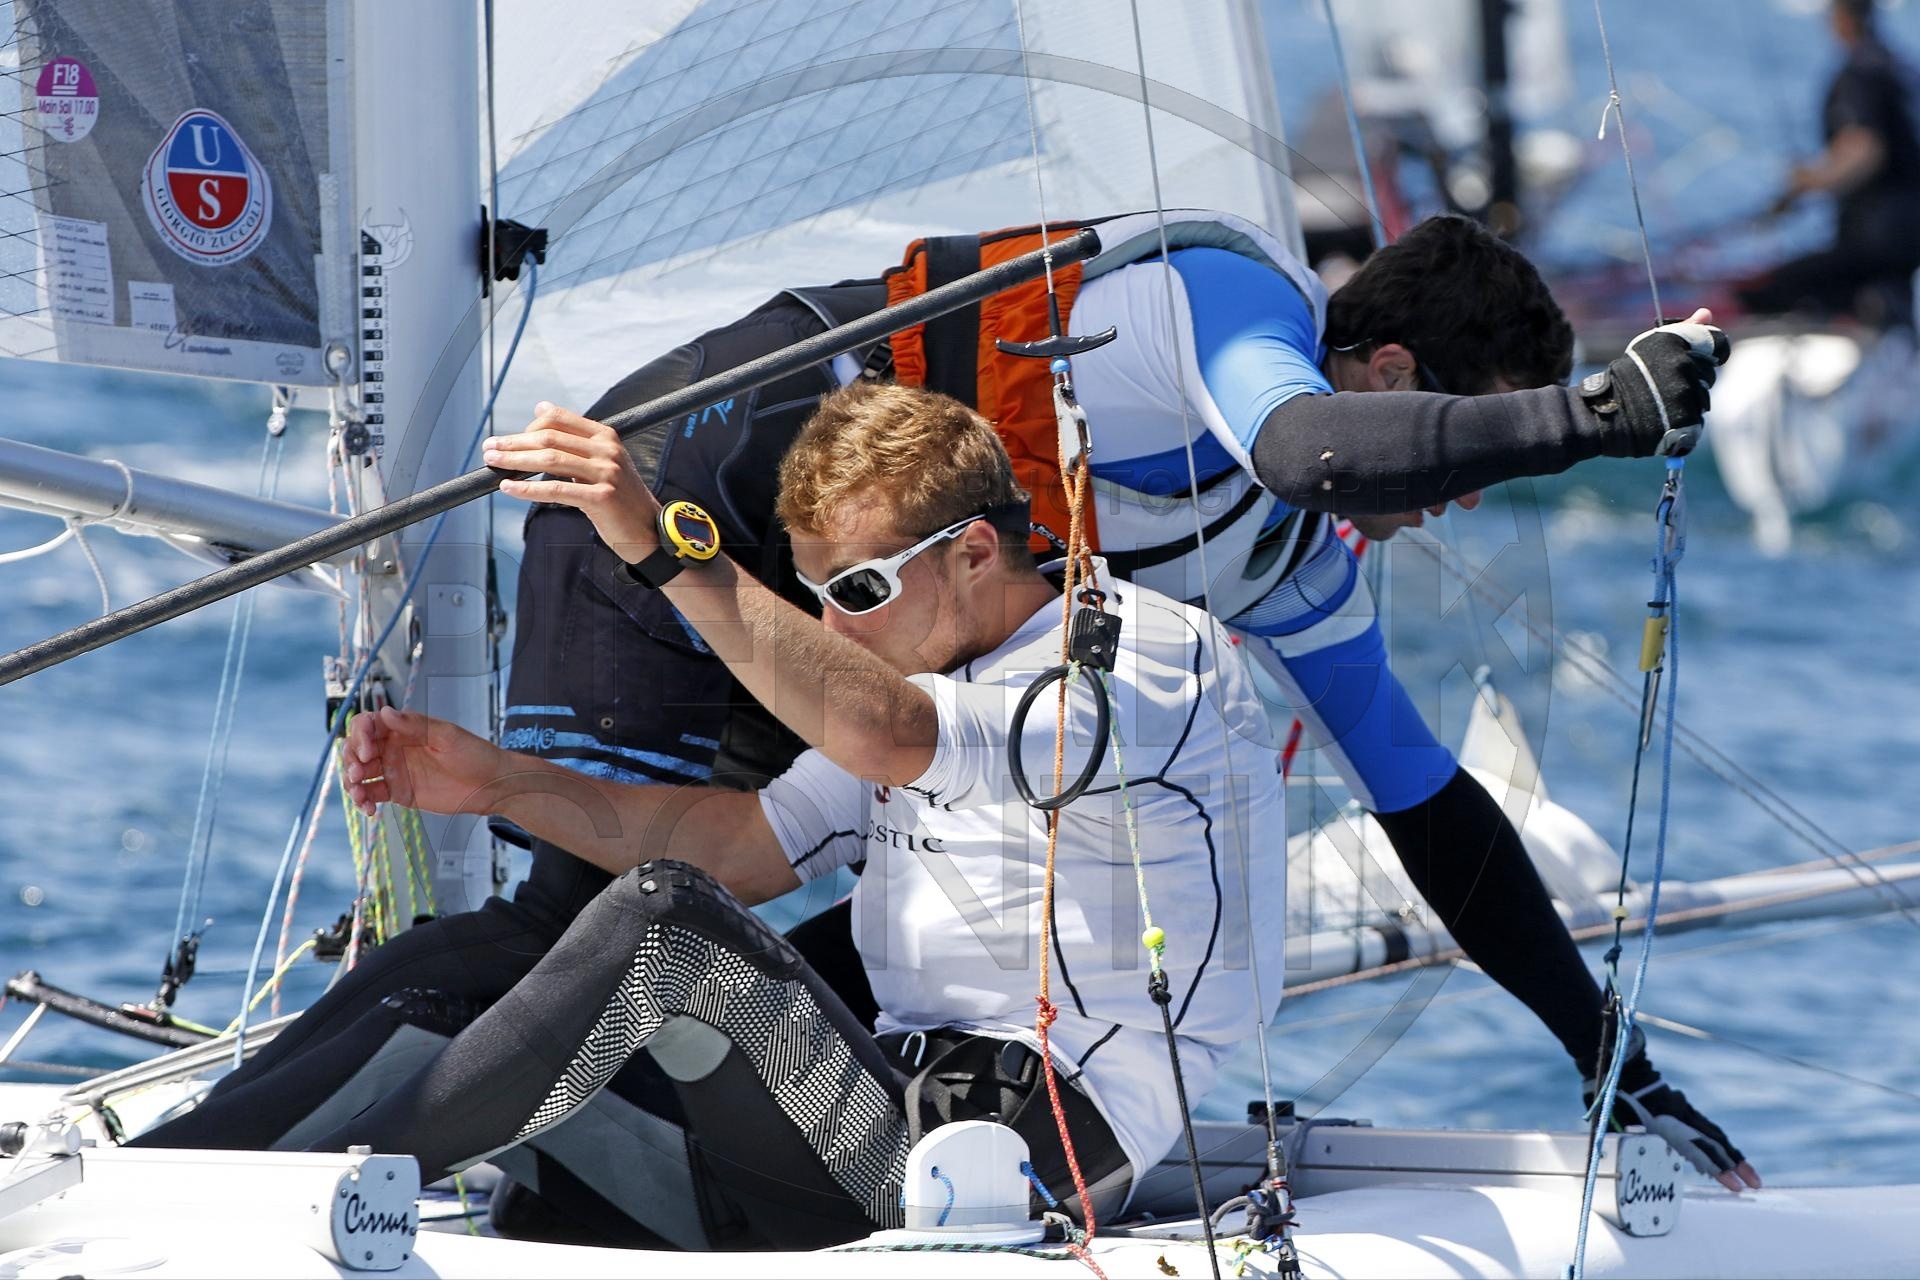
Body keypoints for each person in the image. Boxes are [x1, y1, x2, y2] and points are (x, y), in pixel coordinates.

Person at [136, 213, 1758, 1205]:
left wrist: (1607, 1059)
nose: (1462, 497)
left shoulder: (1267, 584)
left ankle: (545, 1163)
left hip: (855, 625)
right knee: (574, 933)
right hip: (690, 485)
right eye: (1465, 446)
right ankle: (226, 1178)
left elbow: (1434, 820)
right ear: (1393, 374)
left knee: (698, 933)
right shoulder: (1229, 309)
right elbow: (1302, 446)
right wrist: (1581, 420)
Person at [339, 384, 1289, 1244]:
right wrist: (499, 783)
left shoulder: (1145, 660)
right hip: (894, 1110)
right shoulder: (925, 688)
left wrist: (662, 546)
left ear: (973, 553)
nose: (835, 627)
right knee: (501, 1071)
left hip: (1033, 1150)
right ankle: (258, 1165)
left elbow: (887, 735)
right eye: (814, 593)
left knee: (666, 922)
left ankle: (348, 1186)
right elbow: (740, 850)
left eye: (859, 590)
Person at [1740, 0, 1920, 327]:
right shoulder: (1901, 68)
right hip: (1906, 240)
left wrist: (1807, 182)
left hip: (1875, 239)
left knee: (1763, 291)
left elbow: (1864, 148)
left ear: (1840, 19)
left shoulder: (1860, 72)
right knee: (1885, 307)